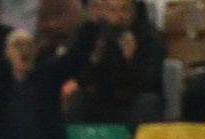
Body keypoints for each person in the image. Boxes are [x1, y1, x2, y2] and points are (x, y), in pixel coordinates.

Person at [57, 0, 164, 130]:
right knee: (77, 97)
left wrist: (130, 59)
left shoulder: (149, 37)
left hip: (134, 101)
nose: (119, 16)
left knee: (148, 102)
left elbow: (150, 82)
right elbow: (81, 79)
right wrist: (94, 58)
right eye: (113, 10)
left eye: (124, 10)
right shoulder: (96, 34)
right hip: (104, 101)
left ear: (133, 11)